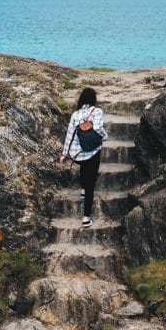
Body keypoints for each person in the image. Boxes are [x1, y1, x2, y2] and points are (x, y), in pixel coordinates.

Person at [58, 88, 107, 228]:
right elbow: (98, 129)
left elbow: (69, 135)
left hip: (77, 154)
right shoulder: (97, 111)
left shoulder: (75, 114)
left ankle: (83, 189)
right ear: (93, 99)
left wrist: (64, 153)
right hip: (92, 152)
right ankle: (86, 218)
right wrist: (105, 136)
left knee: (84, 167)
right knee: (91, 179)